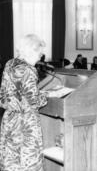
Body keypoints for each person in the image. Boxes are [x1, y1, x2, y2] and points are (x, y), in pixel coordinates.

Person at [0, 34, 48, 171]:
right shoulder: (28, 70)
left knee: (12, 161)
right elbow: (33, 102)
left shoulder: (10, 64)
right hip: (25, 123)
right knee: (28, 162)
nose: (40, 57)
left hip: (10, 119)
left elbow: (7, 95)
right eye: (39, 52)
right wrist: (48, 96)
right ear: (31, 50)